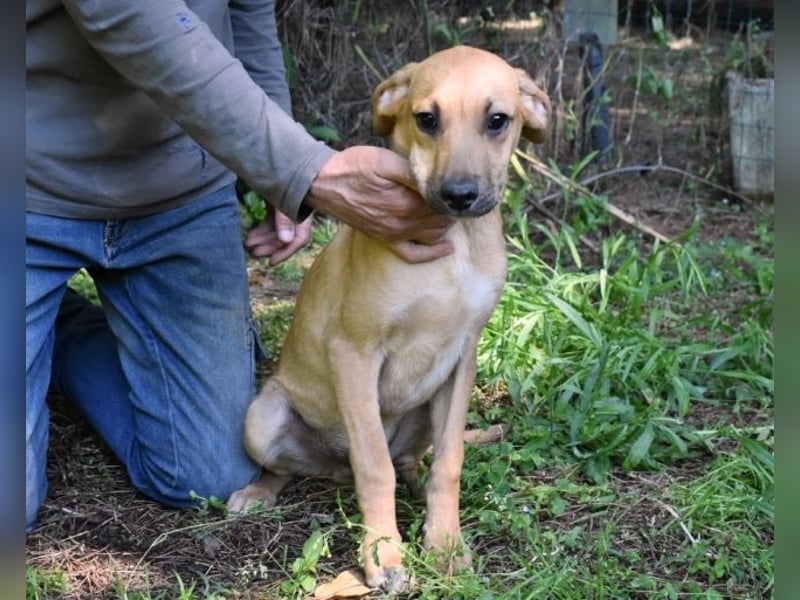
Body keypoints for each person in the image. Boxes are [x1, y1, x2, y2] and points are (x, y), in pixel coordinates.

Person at [26, 0, 454, 531]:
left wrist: (280, 173)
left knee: (209, 475)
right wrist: (302, 168)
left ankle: (58, 329)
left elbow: (247, 10)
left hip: (175, 192)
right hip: (26, 186)